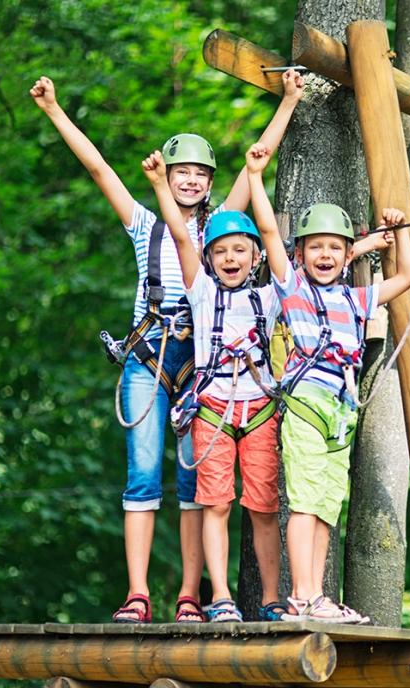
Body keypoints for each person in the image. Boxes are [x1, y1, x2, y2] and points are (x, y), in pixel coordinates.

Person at [30, 70, 304, 623]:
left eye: (200, 173)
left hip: (203, 365)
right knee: (141, 473)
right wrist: (55, 110)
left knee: (194, 485)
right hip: (149, 356)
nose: (190, 180)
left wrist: (291, 101)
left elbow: (259, 163)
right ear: (169, 175)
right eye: (182, 172)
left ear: (208, 182)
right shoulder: (145, 225)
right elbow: (98, 168)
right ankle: (137, 593)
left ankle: (189, 594)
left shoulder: (225, 229)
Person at [252, 146, 410, 622]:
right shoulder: (293, 288)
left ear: (349, 255)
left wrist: (401, 231)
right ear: (299, 254)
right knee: (304, 501)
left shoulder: (357, 298)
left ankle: (316, 596)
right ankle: (302, 596)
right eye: (315, 247)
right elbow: (267, 231)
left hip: (341, 413)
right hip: (306, 404)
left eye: (334, 247)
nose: (324, 255)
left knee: (326, 505)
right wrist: (256, 173)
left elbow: (407, 274)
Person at [143, 145, 284, 623]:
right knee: (215, 502)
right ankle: (220, 595)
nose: (230, 258)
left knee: (264, 507)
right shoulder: (200, 290)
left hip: (259, 409)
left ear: (256, 256)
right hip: (212, 411)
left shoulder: (271, 297)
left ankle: (270, 598)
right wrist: (163, 184)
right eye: (221, 252)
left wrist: (370, 245)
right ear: (208, 260)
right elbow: (183, 238)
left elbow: (279, 241)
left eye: (239, 251)